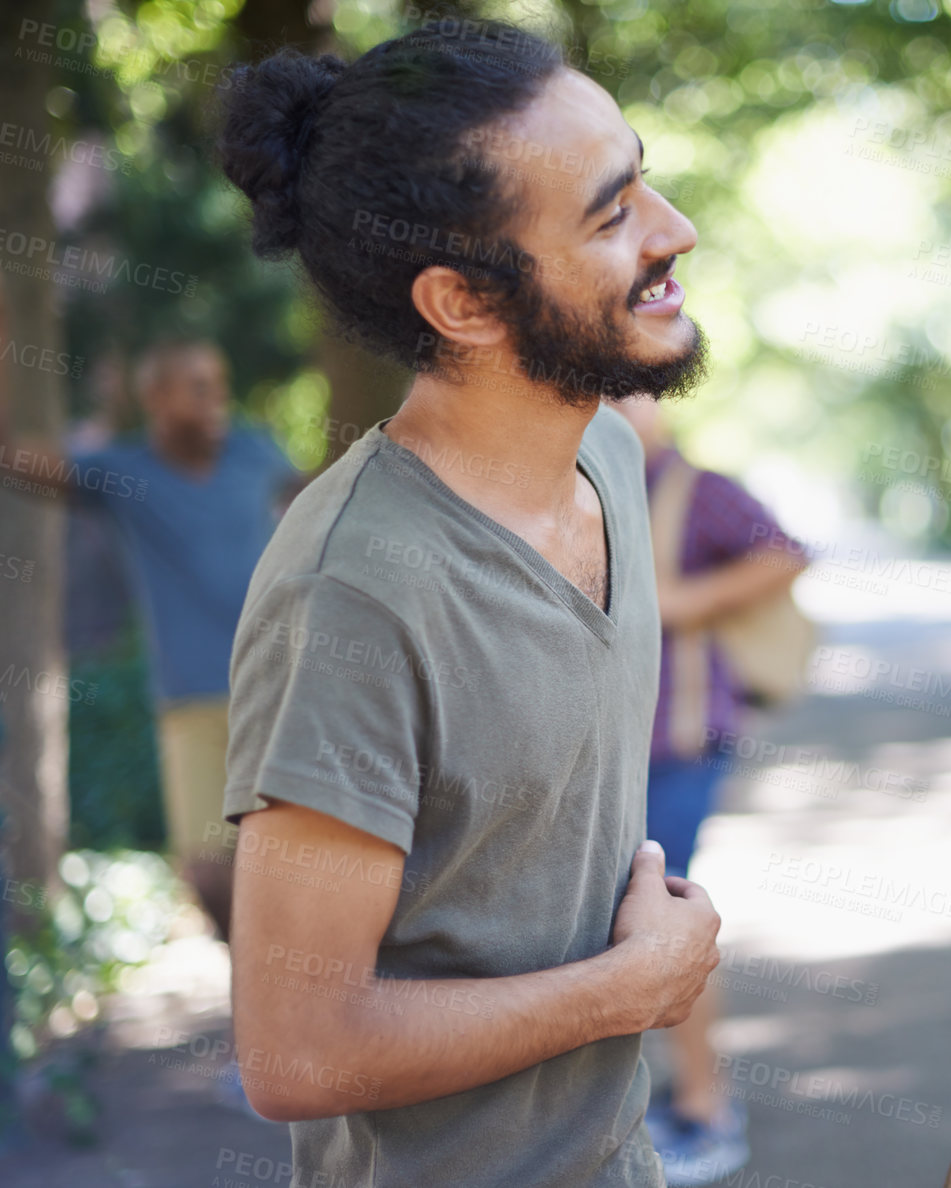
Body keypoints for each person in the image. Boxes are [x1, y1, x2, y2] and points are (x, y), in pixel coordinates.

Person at [215, 19, 720, 1188]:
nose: (675, 230)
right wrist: (626, 992)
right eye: (612, 214)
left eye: (644, 177)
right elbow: (295, 1052)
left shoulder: (609, 459)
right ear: (465, 304)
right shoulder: (350, 596)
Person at [0, 312, 302, 942]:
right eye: (197, 386)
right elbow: (20, 460)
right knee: (208, 872)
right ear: (156, 398)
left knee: (296, 860)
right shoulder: (122, 470)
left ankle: (303, 996)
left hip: (282, 691)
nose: (216, 397)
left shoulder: (257, 449)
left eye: (219, 383)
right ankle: (253, 987)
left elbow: (328, 505)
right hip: (189, 700)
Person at [618, 395, 809, 1184]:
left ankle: (706, 1107)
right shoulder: (577, 480)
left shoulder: (692, 487)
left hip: (679, 740)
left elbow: (785, 552)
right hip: (617, 745)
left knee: (663, 909)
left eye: (630, 393)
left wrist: (689, 603)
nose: (615, 408)